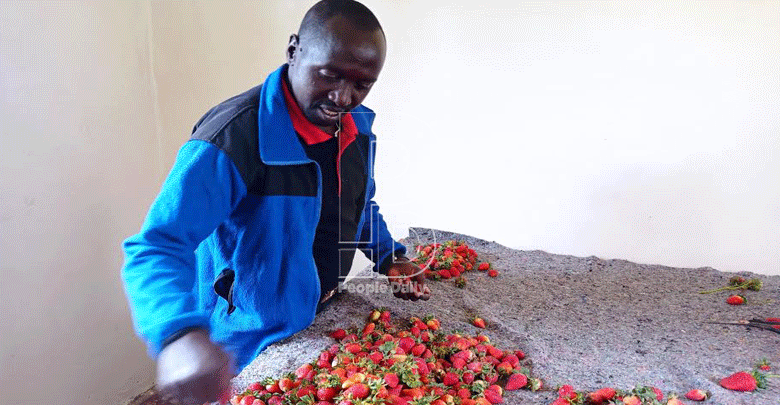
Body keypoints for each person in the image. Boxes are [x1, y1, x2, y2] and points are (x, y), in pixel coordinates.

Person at [121, 1, 430, 404]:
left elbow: (359, 204)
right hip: (245, 340)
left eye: (361, 84)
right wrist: (178, 334)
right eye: (329, 75)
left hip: (318, 319)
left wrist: (389, 257)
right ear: (293, 51)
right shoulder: (232, 139)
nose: (342, 97)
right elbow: (156, 246)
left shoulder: (358, 127)